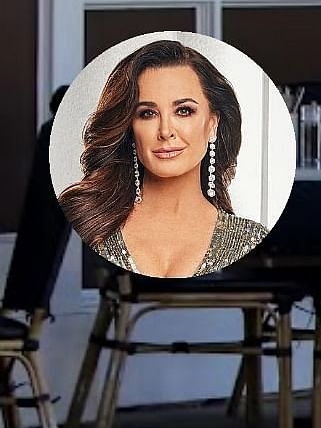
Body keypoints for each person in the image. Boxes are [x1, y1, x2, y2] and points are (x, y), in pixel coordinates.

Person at [58, 39, 268, 278]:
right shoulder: (82, 218)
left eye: (184, 111)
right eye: (147, 113)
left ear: (212, 123)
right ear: (129, 127)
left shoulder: (250, 238)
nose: (165, 131)